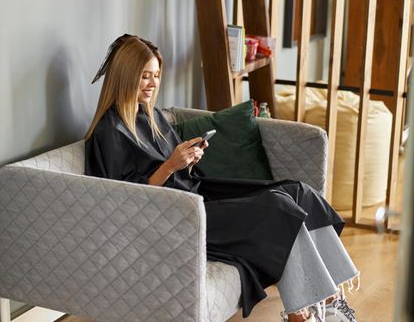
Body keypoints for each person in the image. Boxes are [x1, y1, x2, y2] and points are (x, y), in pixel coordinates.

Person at [84, 34, 360, 322]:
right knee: (277, 207)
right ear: (125, 76)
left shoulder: (150, 115)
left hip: (194, 193)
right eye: (145, 76)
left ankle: (332, 299)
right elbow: (123, 203)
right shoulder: (109, 132)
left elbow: (172, 170)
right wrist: (169, 166)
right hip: (172, 216)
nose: (153, 84)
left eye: (156, 75)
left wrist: (187, 160)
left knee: (297, 191)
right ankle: (300, 314)